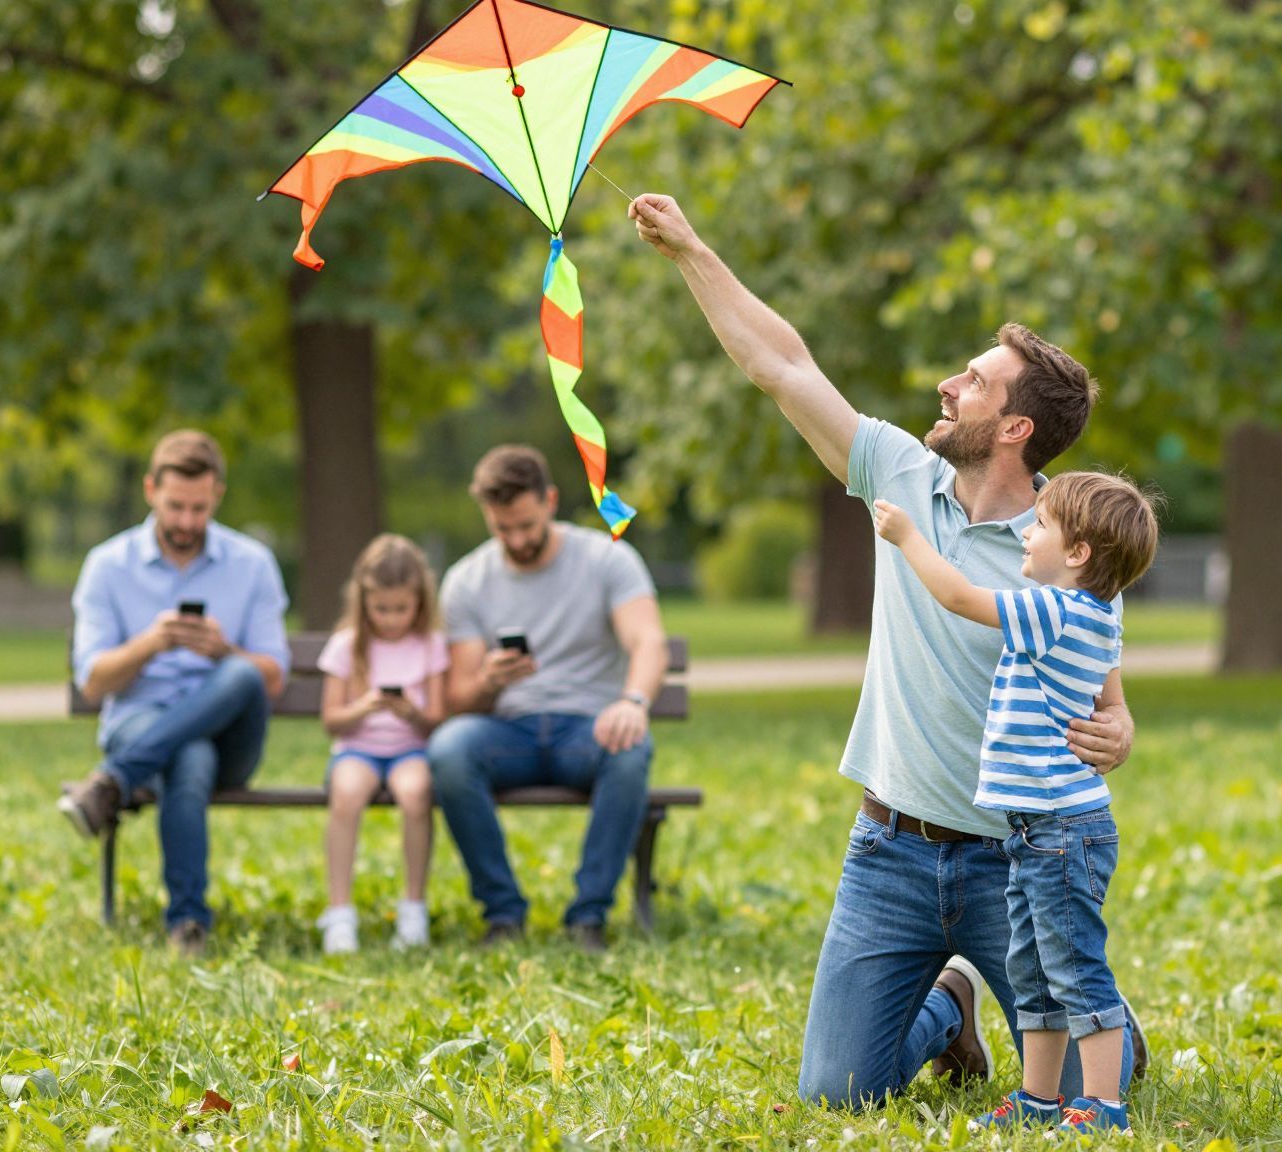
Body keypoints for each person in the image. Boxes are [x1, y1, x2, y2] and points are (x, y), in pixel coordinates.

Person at [628, 191, 1145, 1110]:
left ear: (1016, 428)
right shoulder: (899, 470)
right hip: (890, 849)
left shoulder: (1068, 540)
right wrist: (690, 250)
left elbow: (1107, 695)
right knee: (838, 1092)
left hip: (1013, 859)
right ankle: (952, 1005)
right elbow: (782, 367)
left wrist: (1119, 728)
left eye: (975, 381)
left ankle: (1039, 1008)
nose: (950, 385)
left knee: (1100, 1073)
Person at [873, 471, 1159, 1134]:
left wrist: (908, 536)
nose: (1026, 536)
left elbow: (956, 595)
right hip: (1036, 832)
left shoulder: (1055, 610)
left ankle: (1102, 1107)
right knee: (1031, 969)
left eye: (1040, 527)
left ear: (1079, 554)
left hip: (1062, 832)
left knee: (1075, 967)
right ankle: (1039, 1098)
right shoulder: (1099, 613)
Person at [427, 445, 667, 951]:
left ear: (551, 500)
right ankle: (503, 914)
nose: (516, 540)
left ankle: (588, 919)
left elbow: (647, 641)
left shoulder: (608, 559)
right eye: (501, 529)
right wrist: (490, 680)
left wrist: (633, 703)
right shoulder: (466, 581)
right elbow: (459, 697)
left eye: (526, 525)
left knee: (630, 751)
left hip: (587, 728)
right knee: (449, 749)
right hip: (508, 731)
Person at [59, 430, 290, 953]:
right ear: (150, 490)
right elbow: (93, 681)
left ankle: (110, 784)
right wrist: (150, 643)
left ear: (218, 497)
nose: (187, 522)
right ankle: (188, 925)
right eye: (176, 506)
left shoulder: (251, 563)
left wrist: (223, 650)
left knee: (240, 674)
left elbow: (271, 677)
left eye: (199, 508)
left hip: (232, 734)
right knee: (187, 755)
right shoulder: (107, 565)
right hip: (140, 718)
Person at [315, 534, 448, 954]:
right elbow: (331, 721)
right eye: (381, 609)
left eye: (401, 609)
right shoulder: (347, 645)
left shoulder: (430, 645)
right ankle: (339, 912)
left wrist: (410, 712)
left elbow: (436, 722)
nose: (391, 619)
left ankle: (413, 907)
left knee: (415, 794)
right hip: (358, 748)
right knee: (347, 793)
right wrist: (367, 707)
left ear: (420, 602)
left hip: (411, 748)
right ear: (363, 600)